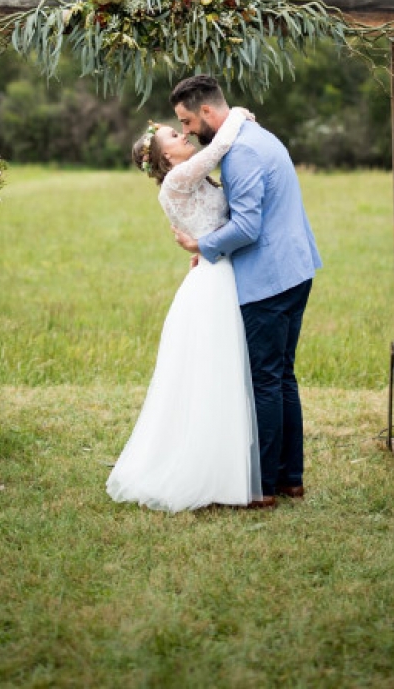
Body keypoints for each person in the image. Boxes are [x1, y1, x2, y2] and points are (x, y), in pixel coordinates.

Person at [170, 75, 321, 508]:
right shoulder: (255, 133)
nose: (185, 132)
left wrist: (202, 244)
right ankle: (291, 478)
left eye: (186, 121)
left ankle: (266, 486)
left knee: (266, 381)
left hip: (269, 279)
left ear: (207, 112)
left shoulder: (241, 155)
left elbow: (248, 227)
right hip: (295, 267)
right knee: (283, 375)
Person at [106, 107, 262, 512]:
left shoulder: (191, 178)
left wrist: (199, 246)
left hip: (215, 271)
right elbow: (221, 146)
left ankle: (224, 473)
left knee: (220, 372)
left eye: (181, 132)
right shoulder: (177, 179)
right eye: (175, 137)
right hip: (213, 282)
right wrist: (238, 115)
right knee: (213, 373)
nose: (184, 137)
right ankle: (206, 475)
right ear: (165, 158)